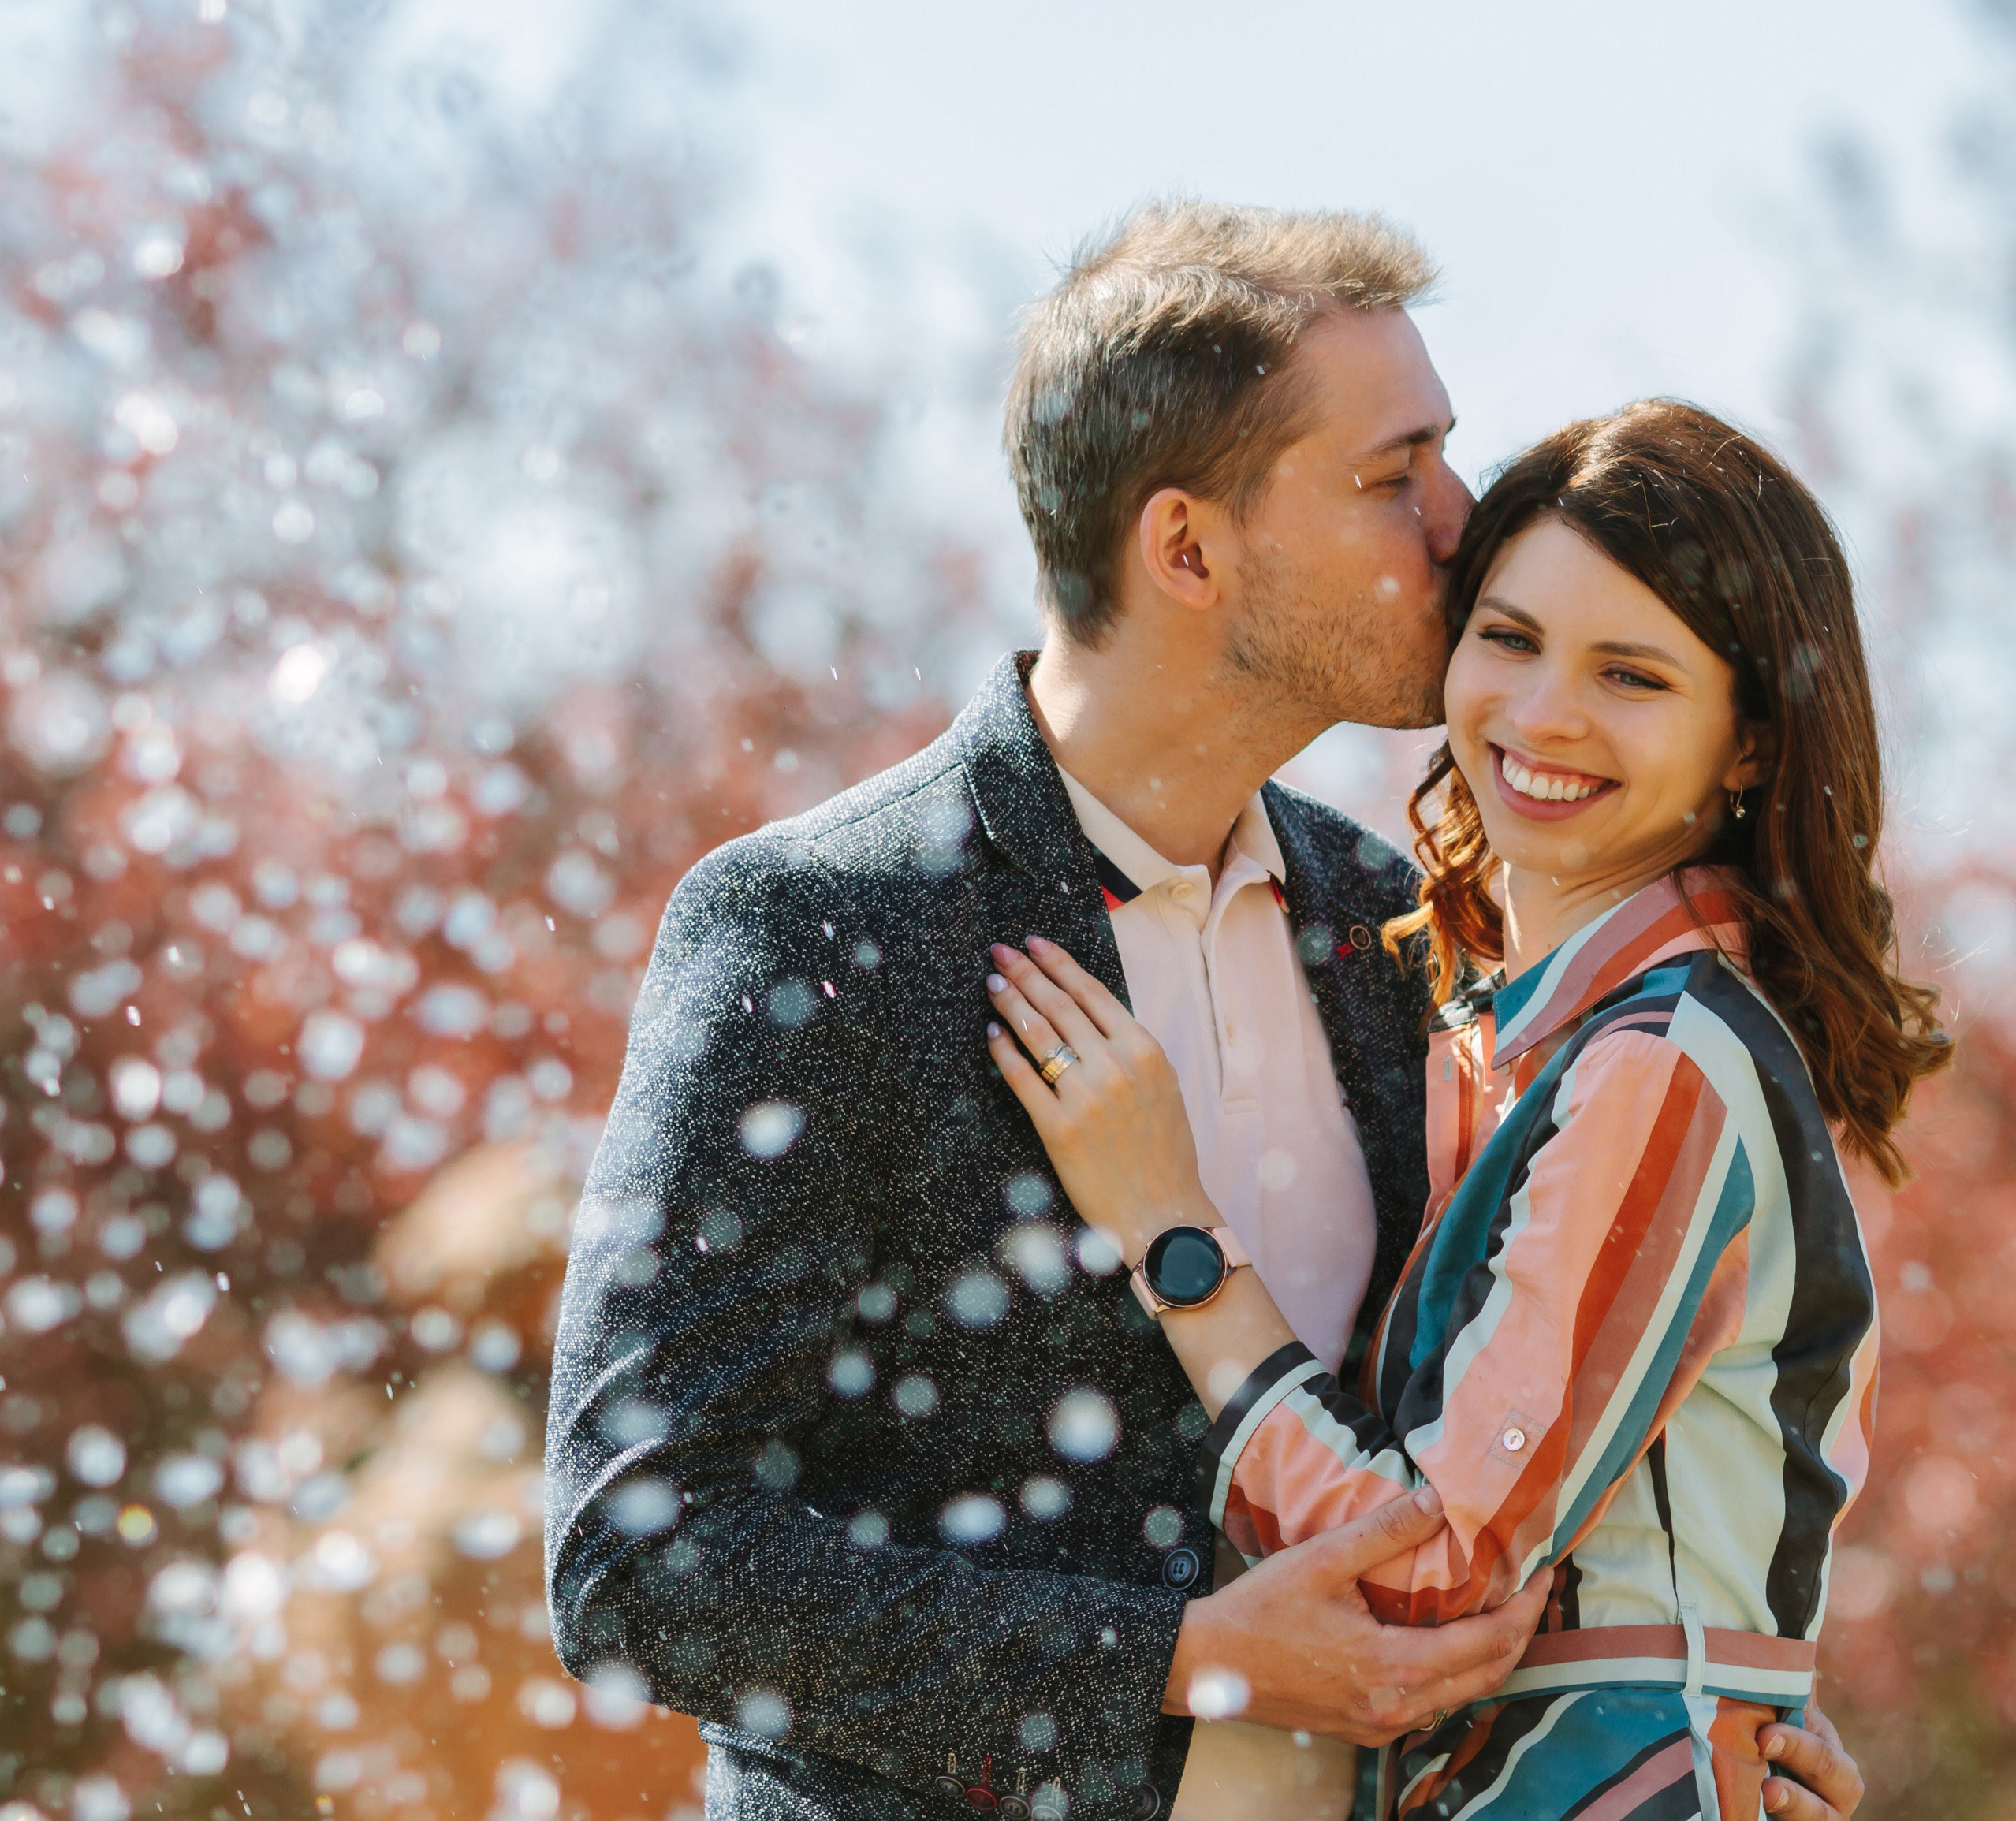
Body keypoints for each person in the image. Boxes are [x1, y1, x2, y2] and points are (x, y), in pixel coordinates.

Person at [544, 204, 1867, 1821]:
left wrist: (1713, 1725)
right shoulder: (826, 928)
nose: (1462, 522)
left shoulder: (1394, 936)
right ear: (1187, 549)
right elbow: (639, 1560)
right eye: (1396, 475)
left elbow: (1515, 1458)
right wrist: (1173, 1659)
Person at [981, 400, 1943, 1818]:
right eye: (1507, 639)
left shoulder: (1659, 1062)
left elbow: (1429, 1578)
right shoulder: (1488, 1025)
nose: (1544, 713)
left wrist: (1168, 1230)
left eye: (1631, 673)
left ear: (1747, 744)